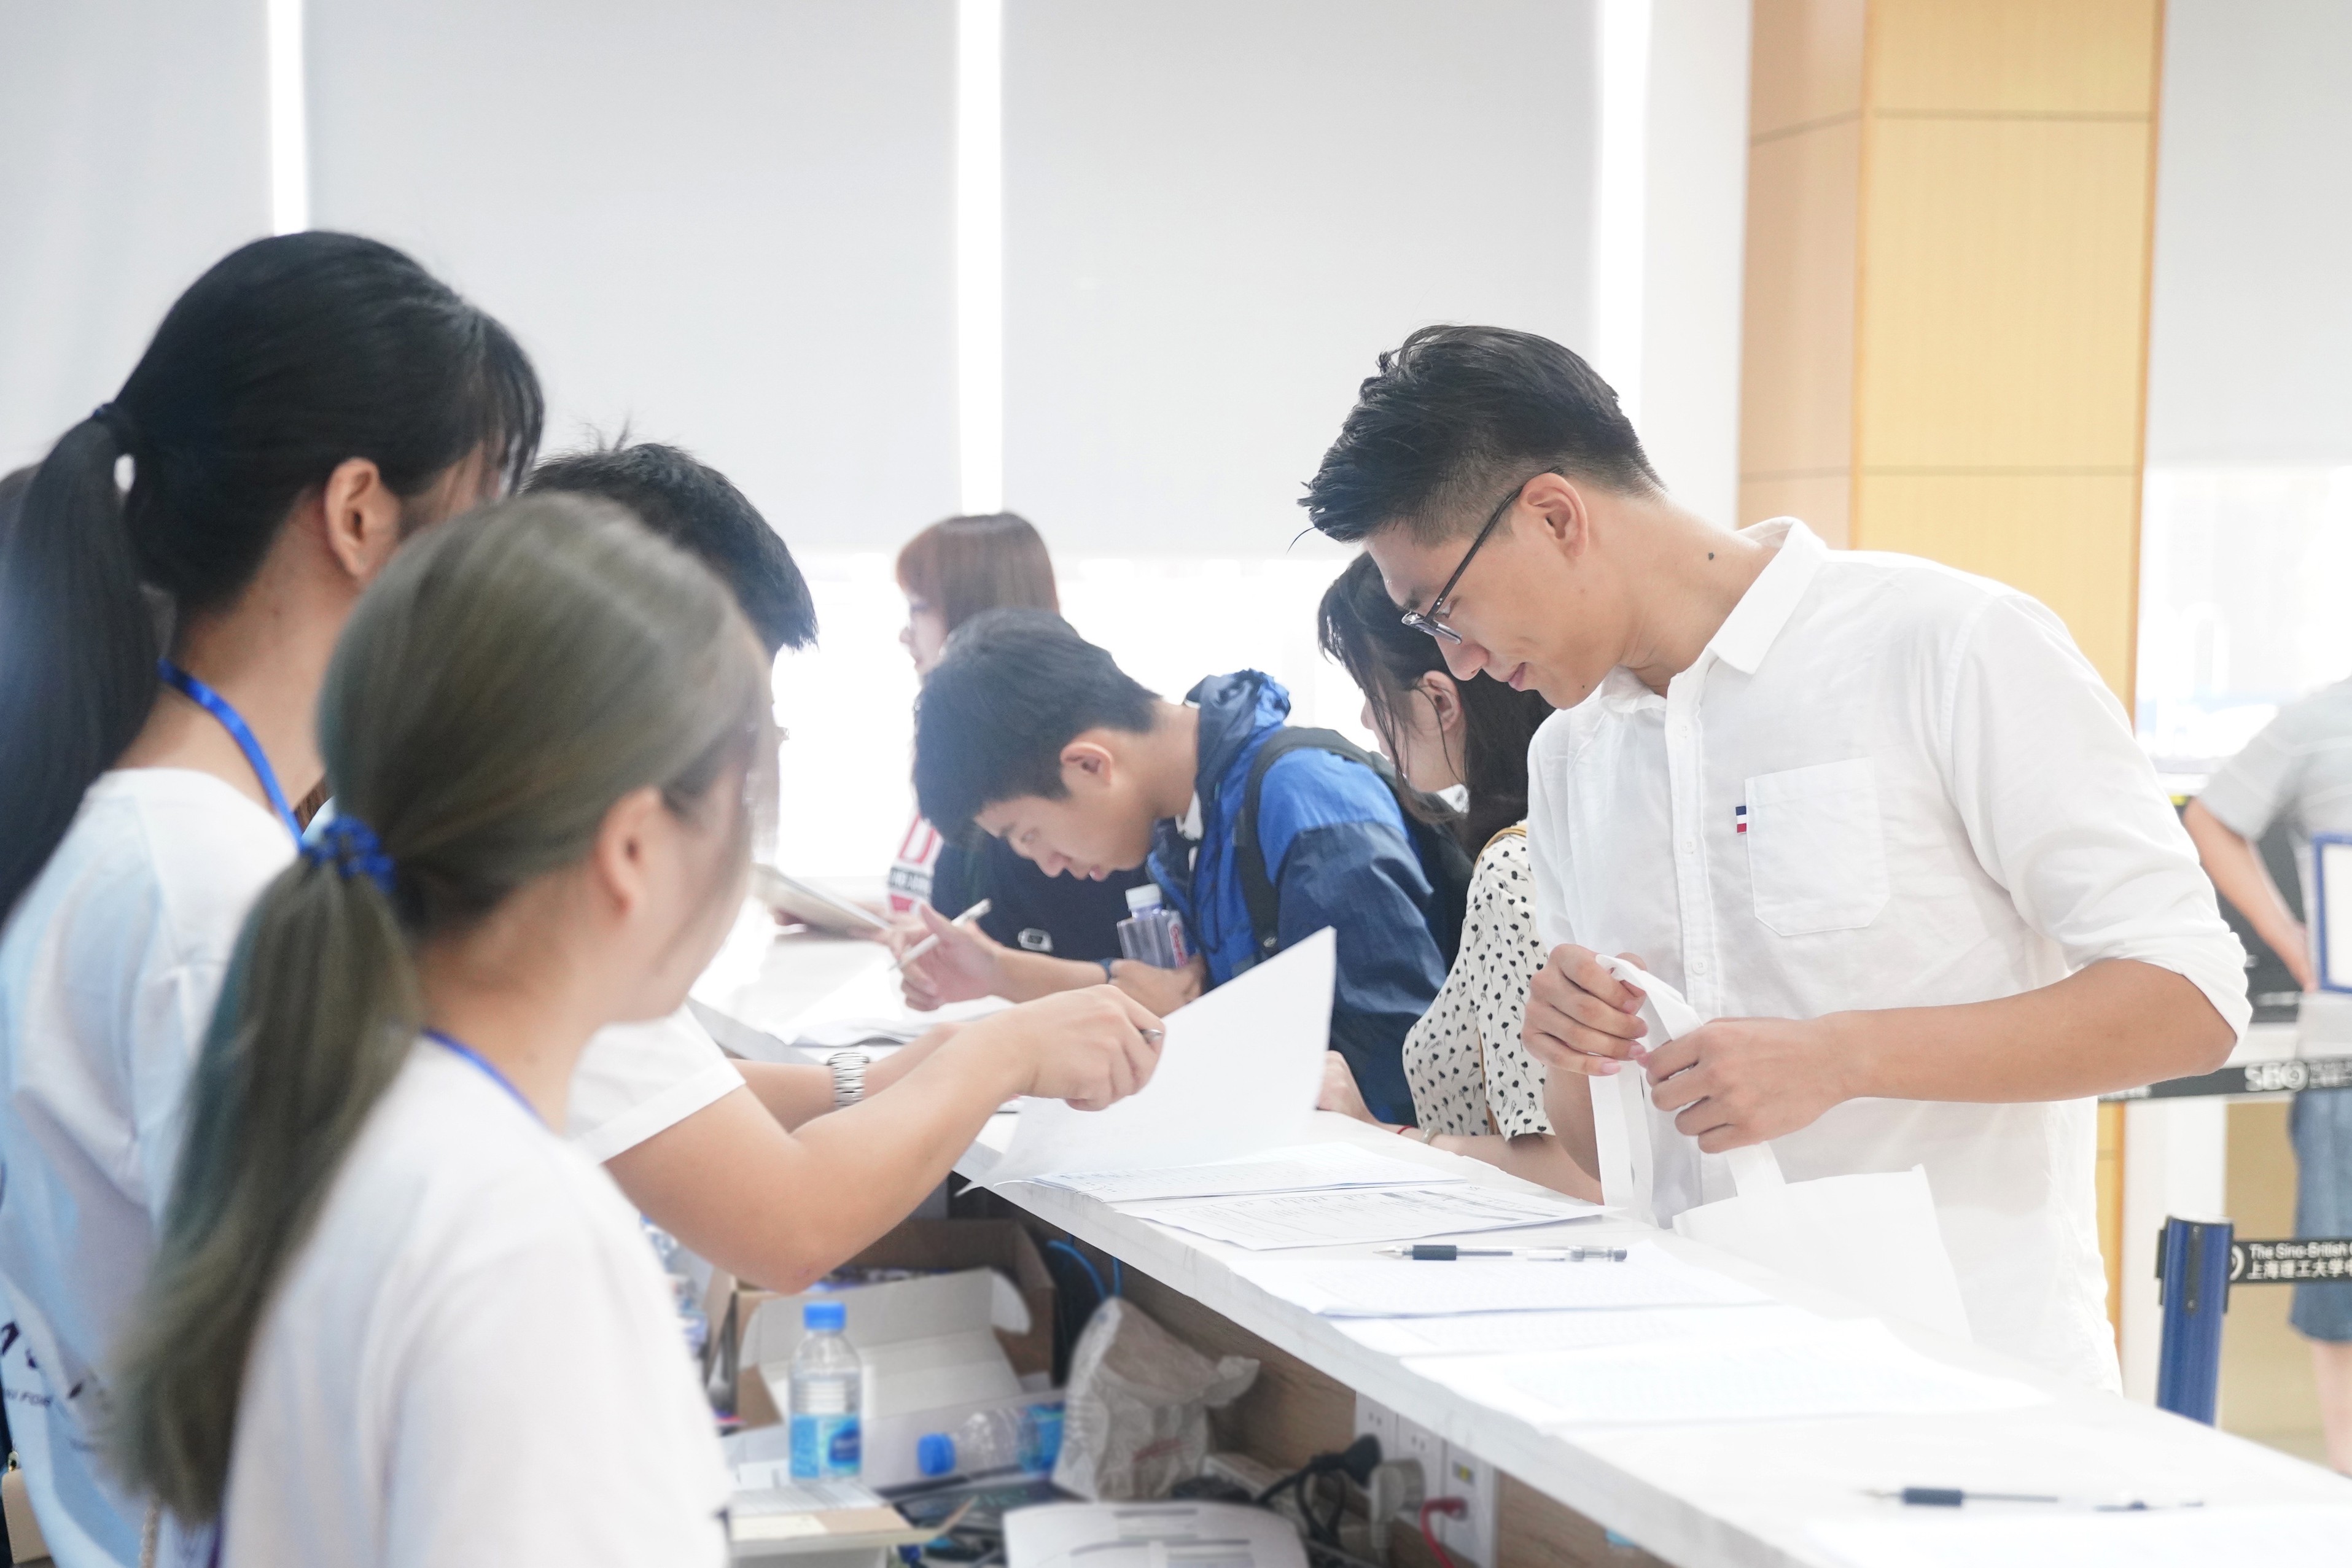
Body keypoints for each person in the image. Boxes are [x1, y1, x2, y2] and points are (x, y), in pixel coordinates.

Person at [102, 497, 1157, 1563]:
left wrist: (917, 1072)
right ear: (633, 848)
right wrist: (998, 1051)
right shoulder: (522, 1231)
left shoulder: (371, 1104)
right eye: (741, 799)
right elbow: (785, 1223)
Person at [1300, 324, 2247, 1389]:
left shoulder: (1944, 642)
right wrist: (1569, 1049)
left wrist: (1844, 1056)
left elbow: (2191, 997)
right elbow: (1609, 1155)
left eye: (1444, 608)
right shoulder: (1572, 755)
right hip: (1697, 1373)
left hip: (1972, 1379)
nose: (1460, 659)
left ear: (1555, 516)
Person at [0, 232, 540, 1568]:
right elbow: (311, 1417)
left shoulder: (140, 836)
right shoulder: (200, 893)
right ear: (359, 512)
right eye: (483, 511)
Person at [524, 447, 1170, 1290]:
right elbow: (786, 1224)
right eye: (740, 726)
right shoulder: (532, 936)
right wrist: (999, 1055)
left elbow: (676, 1091)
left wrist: (881, 1077)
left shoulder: (506, 901)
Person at [901, 609, 1449, 1124]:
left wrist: (1191, 1032)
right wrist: (995, 971)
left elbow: (1397, 1064)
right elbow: (1171, 992)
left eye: (1029, 834)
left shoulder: (1304, 799)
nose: (1047, 864)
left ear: (1089, 765)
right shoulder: (1187, 821)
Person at [1309, 555, 1589, 1197]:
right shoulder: (1570, 833)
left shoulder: (1513, 867)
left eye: (1370, 692)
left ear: (1440, 698)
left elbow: (1574, 1175)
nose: (1366, 721)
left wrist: (1381, 1135)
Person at [2184, 680, 2352, 1471]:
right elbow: (2209, 818)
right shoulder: (2316, 722)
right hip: (2343, 1053)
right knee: (2339, 1279)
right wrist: (2290, 939)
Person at [889, 512, 1148, 959]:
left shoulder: (1061, 788)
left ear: (970, 611)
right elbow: (959, 918)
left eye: (918, 607)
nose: (904, 635)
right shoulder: (959, 757)